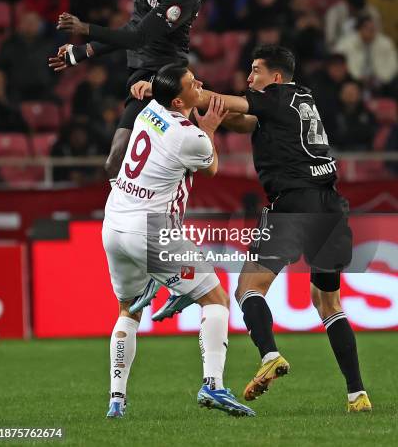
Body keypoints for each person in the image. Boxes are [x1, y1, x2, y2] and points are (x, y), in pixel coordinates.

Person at [130, 45, 372, 413]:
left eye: (256, 71)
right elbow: (240, 119)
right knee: (328, 303)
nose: (249, 77)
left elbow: (229, 102)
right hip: (330, 206)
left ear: (275, 78)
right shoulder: (301, 98)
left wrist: (166, 89)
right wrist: (203, 106)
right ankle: (358, 394)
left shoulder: (273, 97)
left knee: (247, 288)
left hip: (292, 204)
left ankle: (270, 354)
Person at [103, 64, 255, 418]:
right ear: (176, 98)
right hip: (152, 230)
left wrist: (145, 86)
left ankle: (116, 398)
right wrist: (211, 129)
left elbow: (149, 92)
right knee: (216, 298)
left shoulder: (148, 108)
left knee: (129, 310)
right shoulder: (191, 136)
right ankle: (213, 385)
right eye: (191, 83)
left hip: (114, 223)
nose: (200, 83)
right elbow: (213, 167)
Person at [49, 0, 201, 185]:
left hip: (165, 77)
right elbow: (134, 27)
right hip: (140, 72)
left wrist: (85, 28)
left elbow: (138, 37)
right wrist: (81, 52)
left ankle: (146, 215)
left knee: (132, 162)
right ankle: (132, 215)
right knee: (115, 163)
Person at [335, 15, 398, 93]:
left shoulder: (385, 43)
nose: (371, 31)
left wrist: (382, 78)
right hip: (354, 79)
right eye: (367, 28)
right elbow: (338, 62)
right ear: (359, 29)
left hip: (381, 80)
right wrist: (357, 77)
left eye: (373, 29)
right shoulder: (346, 43)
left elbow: (393, 65)